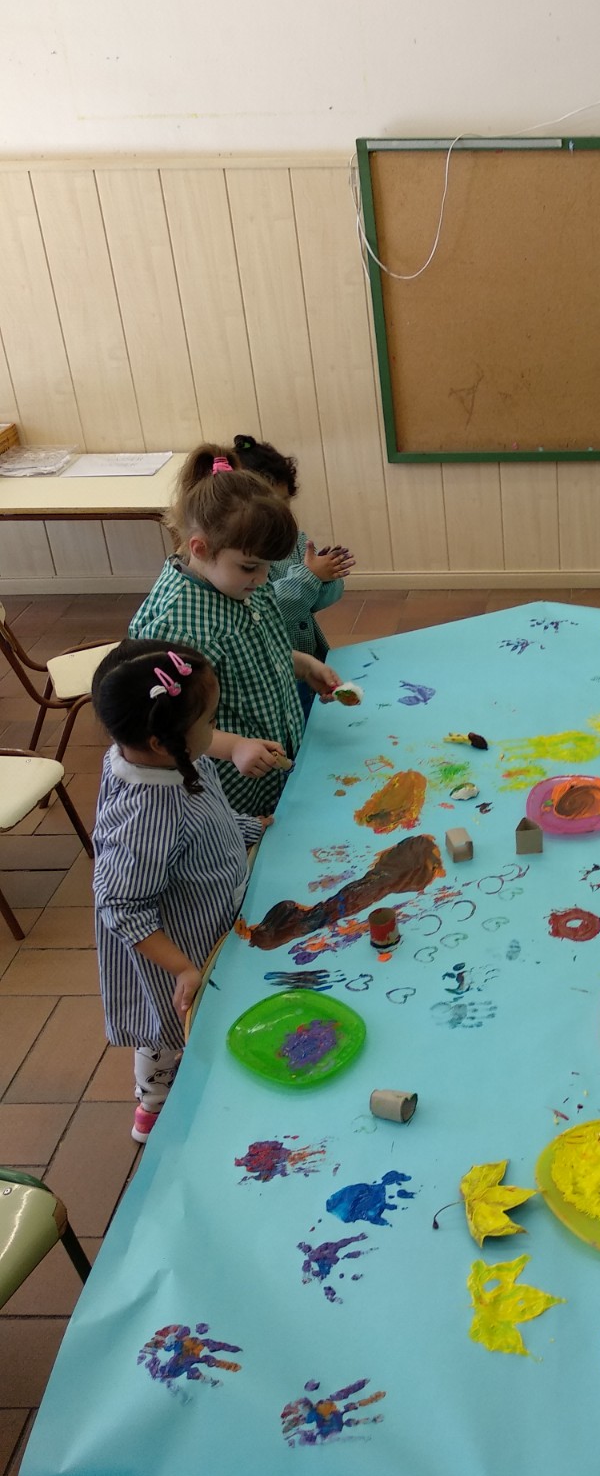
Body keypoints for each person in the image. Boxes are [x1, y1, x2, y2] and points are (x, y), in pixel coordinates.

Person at [90, 640, 270, 1142]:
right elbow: (120, 904)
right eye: (209, 721)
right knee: (167, 1031)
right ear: (161, 742)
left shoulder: (169, 757)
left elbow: (206, 816)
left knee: (195, 1018)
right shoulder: (148, 811)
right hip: (176, 946)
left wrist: (247, 828)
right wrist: (183, 967)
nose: (216, 731)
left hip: (207, 910)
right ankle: (154, 1106)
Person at [129, 444, 341, 814]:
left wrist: (303, 665)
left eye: (267, 567)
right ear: (200, 548)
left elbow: (255, 647)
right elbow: (165, 728)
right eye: (250, 567)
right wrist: (234, 747)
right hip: (232, 793)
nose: (262, 578)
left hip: (272, 774)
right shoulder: (178, 628)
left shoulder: (240, 582)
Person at [229, 433, 355, 672]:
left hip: (309, 661)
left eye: (285, 501)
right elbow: (267, 608)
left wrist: (328, 577)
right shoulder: (238, 558)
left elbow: (316, 603)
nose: (283, 513)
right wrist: (310, 577)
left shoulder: (295, 540)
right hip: (273, 668)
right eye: (272, 505)